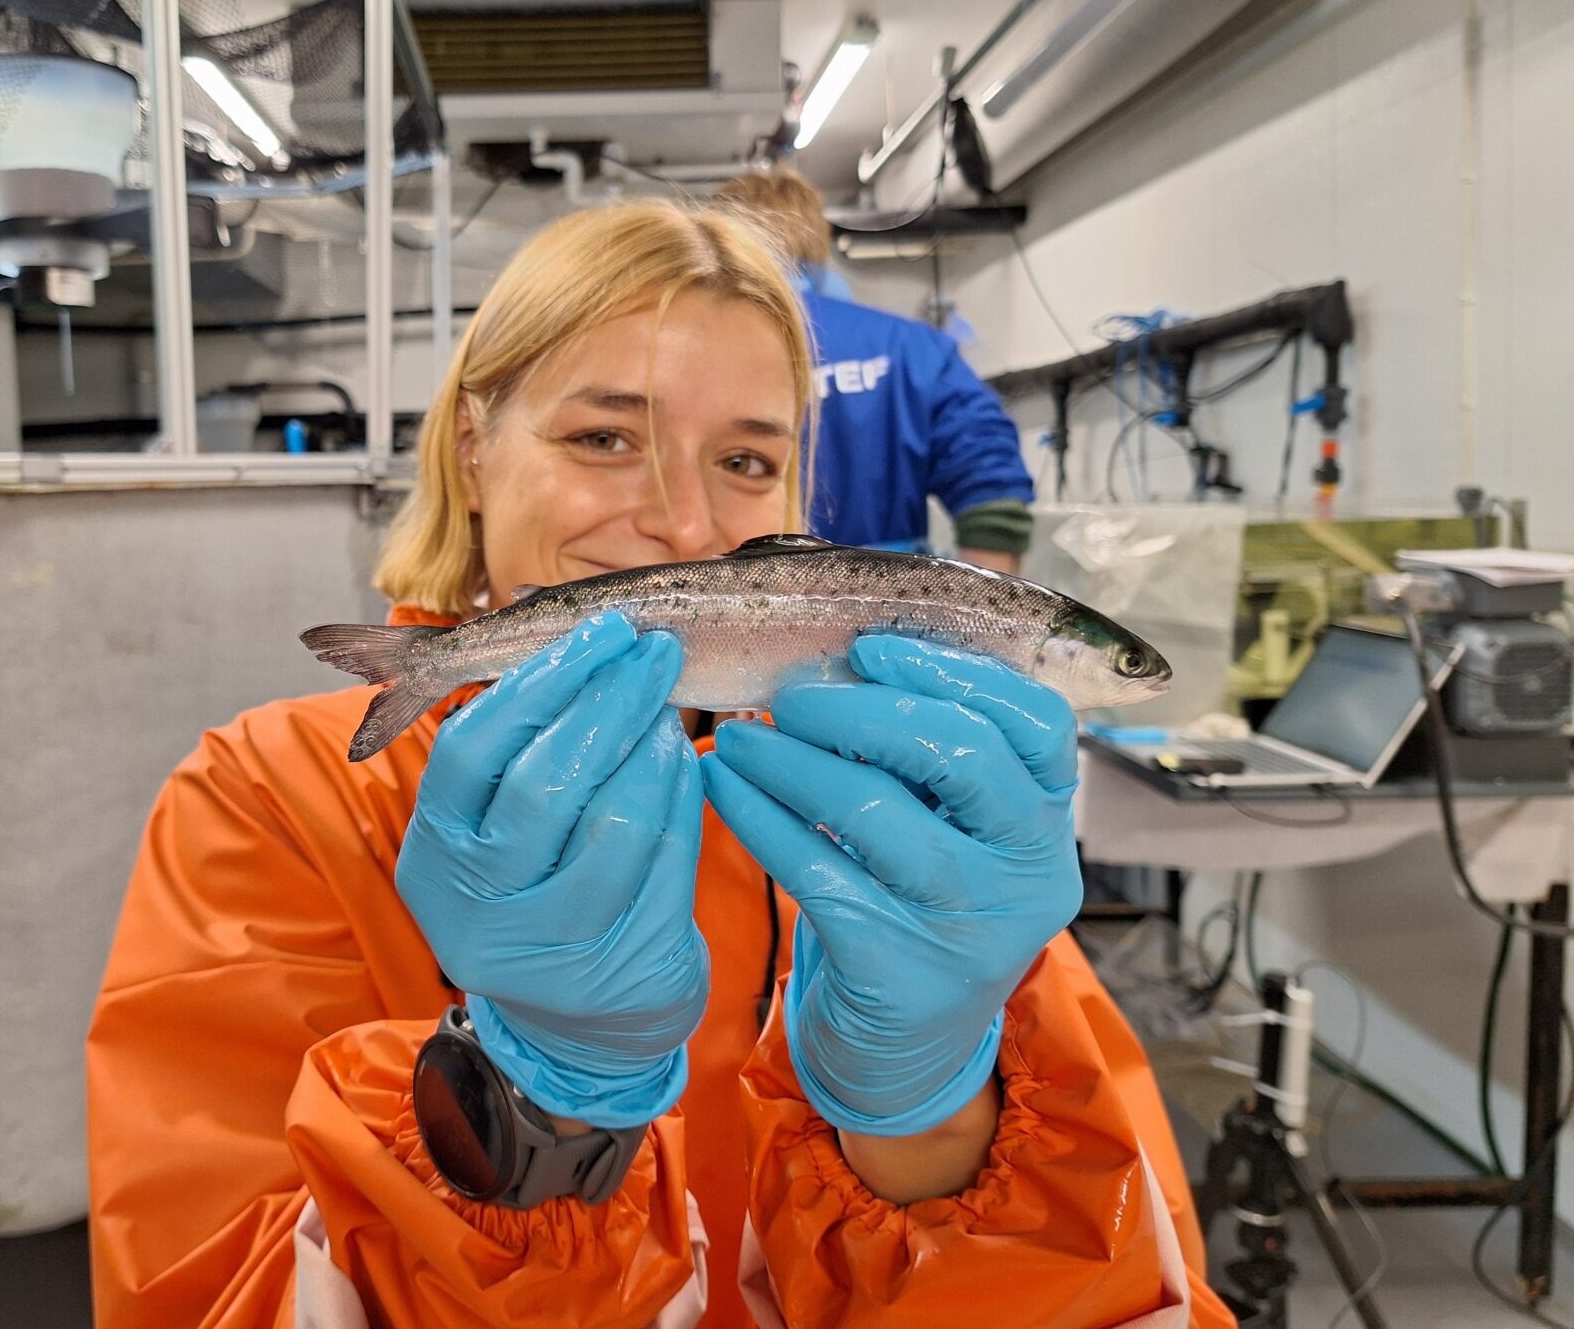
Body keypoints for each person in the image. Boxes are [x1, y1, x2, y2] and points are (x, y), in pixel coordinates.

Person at [87, 200, 1231, 1328]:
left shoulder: (905, 812)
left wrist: (932, 1113)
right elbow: (208, 1290)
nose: (685, 526)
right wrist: (526, 1111)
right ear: (474, 451)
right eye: (601, 438)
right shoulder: (273, 796)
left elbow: (1122, 1280)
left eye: (743, 458)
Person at [714, 167, 1035, 573]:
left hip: (737, 604)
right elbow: (994, 498)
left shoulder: (697, 353)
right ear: (819, 240)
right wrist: (981, 621)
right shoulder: (912, 349)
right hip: (888, 608)